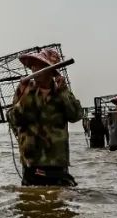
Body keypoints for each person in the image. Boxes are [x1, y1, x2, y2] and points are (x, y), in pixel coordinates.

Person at [7, 47, 82, 186]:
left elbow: (76, 115)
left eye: (40, 65)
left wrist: (64, 92)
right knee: (32, 203)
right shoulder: (24, 90)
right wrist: (26, 96)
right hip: (32, 162)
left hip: (57, 162)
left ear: (50, 70)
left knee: (60, 204)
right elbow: (13, 119)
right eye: (33, 65)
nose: (35, 69)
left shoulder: (61, 91)